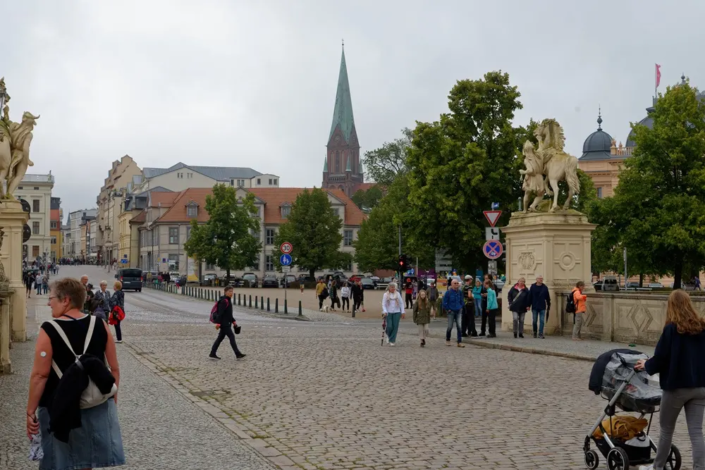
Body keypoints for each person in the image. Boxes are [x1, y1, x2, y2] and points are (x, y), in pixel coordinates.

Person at [26, 278, 125, 468]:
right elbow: (114, 368)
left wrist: (30, 411)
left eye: (51, 298)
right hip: (93, 403)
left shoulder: (49, 329)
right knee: (87, 461)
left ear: (66, 300)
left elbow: (40, 375)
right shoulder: (100, 324)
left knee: (59, 459)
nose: (48, 303)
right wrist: (113, 397)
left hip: (58, 405)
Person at [635, 290, 705, 470]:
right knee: (696, 431)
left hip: (677, 387)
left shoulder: (671, 329)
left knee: (666, 429)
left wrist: (646, 364)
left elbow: (661, 358)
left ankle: (657, 467)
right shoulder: (702, 327)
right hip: (700, 387)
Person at [209, 286, 246, 360]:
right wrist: (219, 323)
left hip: (227, 322)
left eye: (232, 291)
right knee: (231, 337)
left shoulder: (228, 300)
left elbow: (228, 313)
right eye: (229, 291)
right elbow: (220, 313)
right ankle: (237, 353)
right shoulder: (224, 301)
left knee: (220, 338)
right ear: (225, 292)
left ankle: (212, 353)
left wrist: (233, 321)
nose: (231, 293)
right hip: (224, 324)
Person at [442, 279, 466, 348]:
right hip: (451, 311)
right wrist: (448, 309)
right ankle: (448, 339)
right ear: (452, 284)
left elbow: (462, 300)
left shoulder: (460, 292)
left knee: (459, 326)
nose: (456, 284)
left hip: (458, 311)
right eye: (455, 283)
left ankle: (459, 342)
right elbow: (444, 303)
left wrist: (461, 306)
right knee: (450, 326)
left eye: (457, 283)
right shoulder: (448, 293)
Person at [529, 275, 551, 339]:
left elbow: (547, 297)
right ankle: (535, 331)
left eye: (542, 279)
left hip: (542, 306)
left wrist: (549, 304)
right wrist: (528, 305)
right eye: (539, 279)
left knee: (542, 320)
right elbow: (530, 296)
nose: (541, 280)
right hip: (535, 306)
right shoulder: (533, 286)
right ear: (536, 279)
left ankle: (541, 333)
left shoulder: (545, 287)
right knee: (534, 320)